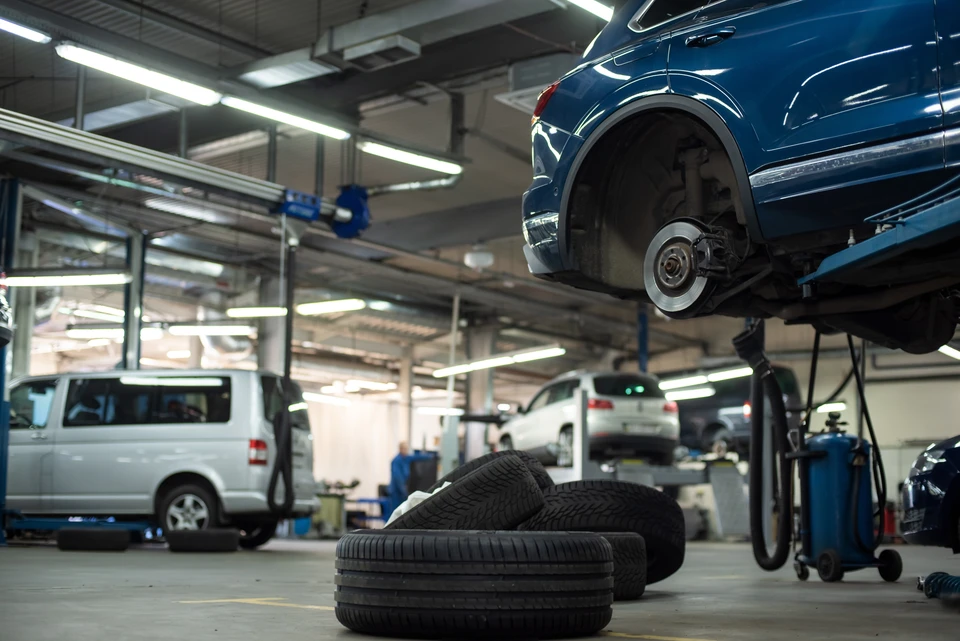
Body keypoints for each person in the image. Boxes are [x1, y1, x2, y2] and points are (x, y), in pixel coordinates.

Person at [387, 442, 412, 518]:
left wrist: (430, 456)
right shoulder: (396, 461)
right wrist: (403, 490)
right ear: (400, 449)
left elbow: (417, 457)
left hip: (402, 491)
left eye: (407, 449)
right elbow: (397, 477)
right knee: (395, 513)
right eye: (404, 449)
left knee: (402, 513)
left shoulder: (406, 459)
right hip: (396, 491)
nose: (406, 451)